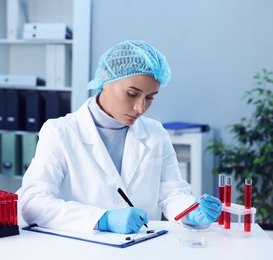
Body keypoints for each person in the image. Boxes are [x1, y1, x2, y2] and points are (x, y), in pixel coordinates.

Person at [18, 40, 222, 234]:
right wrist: (102, 219)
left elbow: (173, 194)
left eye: (150, 97)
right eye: (132, 94)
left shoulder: (155, 133)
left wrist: (191, 210)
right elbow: (33, 202)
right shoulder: (60, 131)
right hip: (82, 249)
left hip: (140, 248)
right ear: (106, 79)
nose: (141, 107)